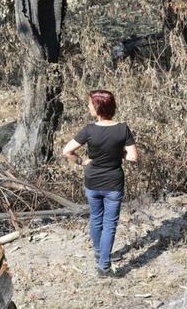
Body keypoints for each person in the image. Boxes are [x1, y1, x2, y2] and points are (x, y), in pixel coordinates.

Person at [62, 90, 139, 277]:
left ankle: (99, 253)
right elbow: (133, 157)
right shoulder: (122, 129)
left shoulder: (89, 130)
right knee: (110, 224)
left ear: (97, 107)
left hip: (92, 181)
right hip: (113, 183)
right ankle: (104, 266)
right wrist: (117, 153)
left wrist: (81, 162)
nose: (88, 106)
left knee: (96, 218)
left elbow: (67, 151)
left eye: (90, 103)